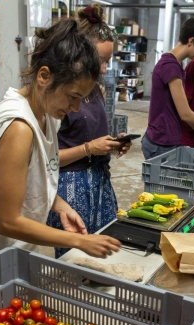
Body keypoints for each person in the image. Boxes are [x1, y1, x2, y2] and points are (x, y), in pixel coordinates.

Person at [0, 19, 121, 290]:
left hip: (11, 260)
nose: (76, 108)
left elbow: (35, 175)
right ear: (44, 76)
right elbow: (8, 221)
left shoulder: (48, 114)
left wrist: (60, 205)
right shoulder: (18, 126)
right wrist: (79, 241)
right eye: (73, 96)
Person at [47, 3, 131, 258]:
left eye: (108, 60)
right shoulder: (56, 99)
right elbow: (45, 160)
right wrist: (88, 148)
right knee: (75, 260)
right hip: (70, 187)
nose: (105, 68)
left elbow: (93, 134)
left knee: (104, 252)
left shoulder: (97, 90)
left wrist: (112, 144)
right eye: (100, 60)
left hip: (99, 181)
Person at [141, 16, 194, 160]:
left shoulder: (175, 64)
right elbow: (185, 113)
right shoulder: (170, 66)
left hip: (165, 140)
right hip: (161, 144)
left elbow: (176, 111)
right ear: (191, 41)